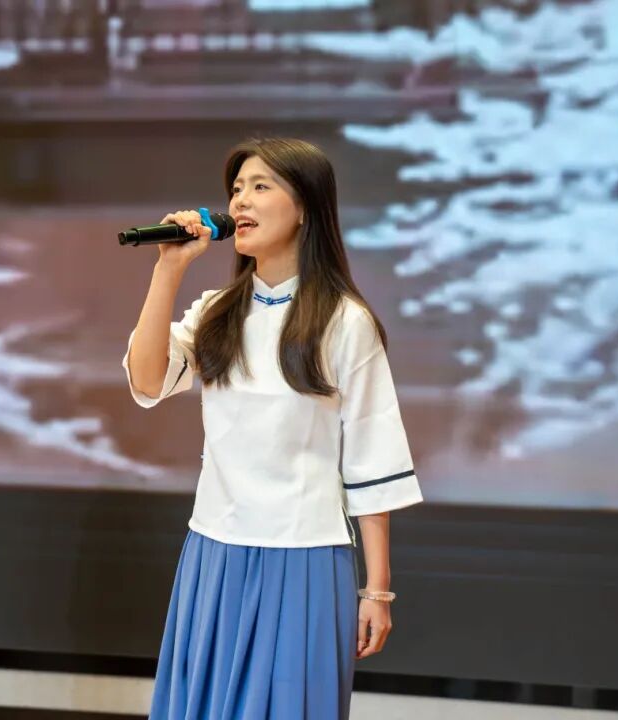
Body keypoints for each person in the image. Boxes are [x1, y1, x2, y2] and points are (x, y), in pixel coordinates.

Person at [124, 138, 422, 718]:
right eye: (236, 189)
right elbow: (147, 379)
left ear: (306, 207)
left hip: (304, 557)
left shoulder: (345, 322)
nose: (241, 201)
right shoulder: (217, 311)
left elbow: (372, 459)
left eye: (260, 186)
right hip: (214, 552)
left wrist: (377, 590)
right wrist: (169, 269)